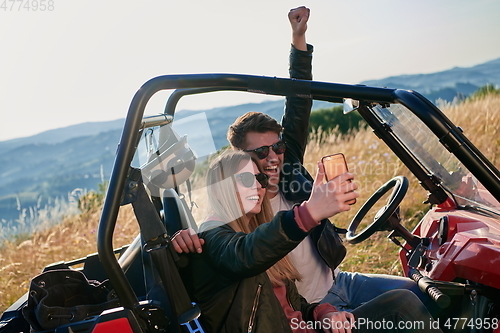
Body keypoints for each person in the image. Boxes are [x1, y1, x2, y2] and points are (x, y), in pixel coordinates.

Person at [173, 5, 437, 316]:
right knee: (404, 308)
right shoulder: (240, 208)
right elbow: (228, 246)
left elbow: (299, 103)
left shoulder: (287, 169)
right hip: (307, 307)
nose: (273, 157)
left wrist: (298, 39)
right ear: (240, 159)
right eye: (260, 152)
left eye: (278, 146)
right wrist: (185, 237)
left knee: (419, 293)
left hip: (339, 282)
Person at [180, 149, 441, 333]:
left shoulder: (249, 233)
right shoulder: (210, 239)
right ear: (221, 188)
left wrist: (323, 314)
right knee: (401, 306)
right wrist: (309, 212)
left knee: (402, 299)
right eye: (248, 179)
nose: (259, 186)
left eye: (260, 178)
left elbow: (294, 307)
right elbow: (244, 255)